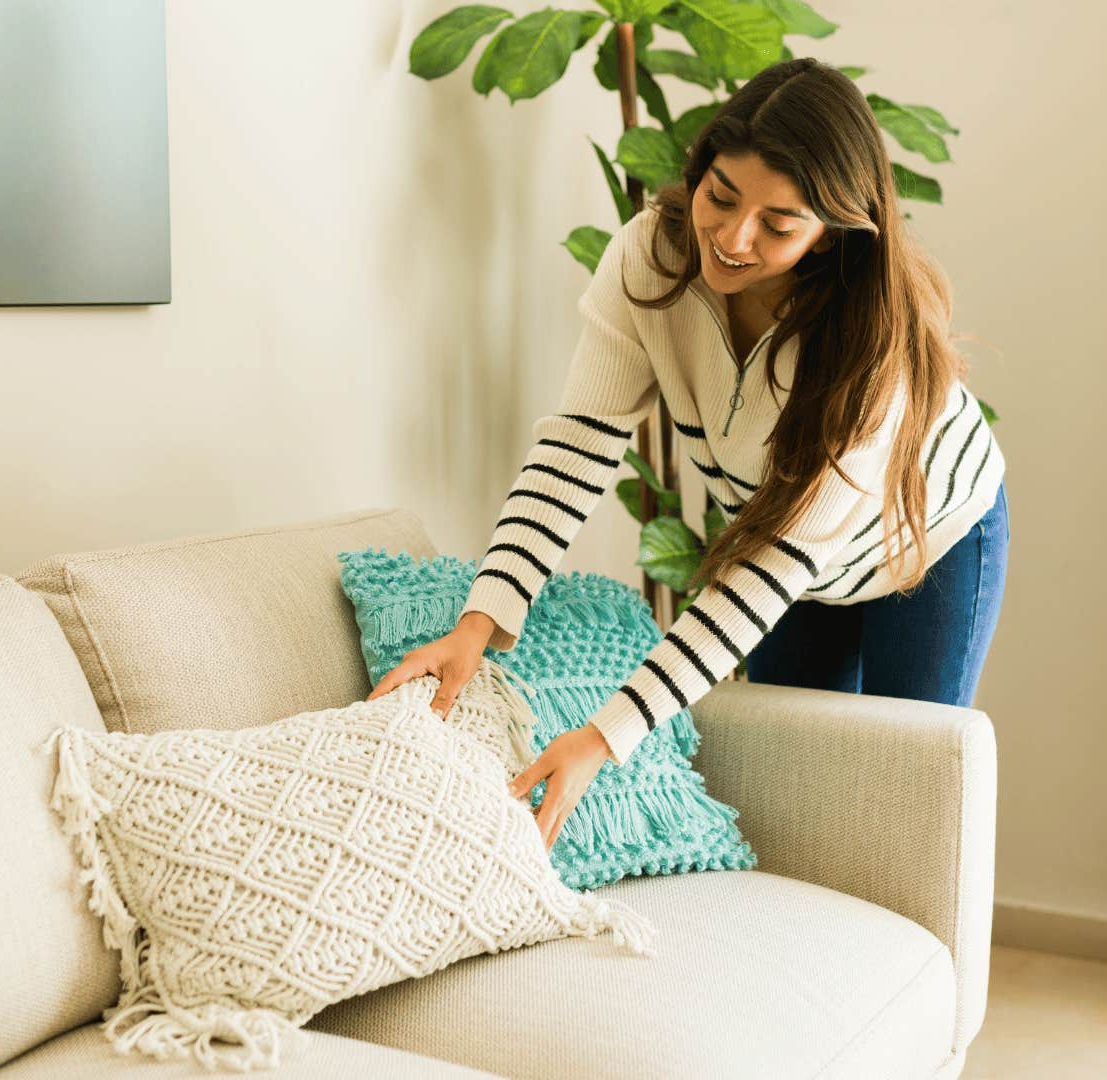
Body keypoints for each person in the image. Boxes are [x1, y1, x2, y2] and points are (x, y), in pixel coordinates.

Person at [367, 57, 1008, 850]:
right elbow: (577, 445)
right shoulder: (651, 259)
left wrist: (604, 739)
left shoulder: (877, 356)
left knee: (910, 799)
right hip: (786, 562)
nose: (734, 240)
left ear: (835, 232)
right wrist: (480, 621)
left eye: (779, 225)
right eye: (721, 197)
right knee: (803, 793)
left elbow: (770, 567)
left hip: (926, 543)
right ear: (699, 172)